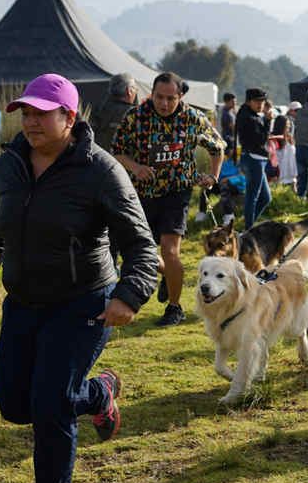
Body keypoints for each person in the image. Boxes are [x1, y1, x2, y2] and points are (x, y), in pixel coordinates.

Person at [0, 74, 157, 483]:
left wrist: (129, 295)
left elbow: (142, 246)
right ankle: (98, 394)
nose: (29, 122)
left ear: (69, 117)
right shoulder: (8, 164)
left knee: (49, 403)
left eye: (40, 113)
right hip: (24, 302)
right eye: (25, 113)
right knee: (13, 403)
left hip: (82, 302)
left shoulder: (100, 170)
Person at [112, 71, 225, 327]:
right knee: (141, 251)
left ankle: (175, 308)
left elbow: (217, 147)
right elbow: (117, 152)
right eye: (159, 97)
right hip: (143, 192)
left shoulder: (192, 118)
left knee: (170, 250)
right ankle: (168, 276)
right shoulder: (135, 117)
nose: (163, 104)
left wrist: (213, 176)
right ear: (151, 94)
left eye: (170, 98)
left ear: (180, 96)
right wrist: (136, 167)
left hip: (177, 191)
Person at [236, 88, 274, 228]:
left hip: (255, 158)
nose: (260, 104)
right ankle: (248, 230)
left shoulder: (248, 114)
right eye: (257, 101)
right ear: (249, 101)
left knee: (265, 198)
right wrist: (268, 122)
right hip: (254, 159)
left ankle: (249, 227)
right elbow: (262, 140)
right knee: (253, 197)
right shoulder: (250, 118)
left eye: (262, 101)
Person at [89, 73, 138, 151]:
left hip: (96, 157)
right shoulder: (134, 113)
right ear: (129, 91)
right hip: (120, 161)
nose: (136, 92)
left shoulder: (98, 109)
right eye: (135, 89)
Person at [274, 101, 300, 187]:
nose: (288, 128)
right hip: (279, 177)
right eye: (287, 126)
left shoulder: (290, 139)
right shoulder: (275, 140)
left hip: (291, 176)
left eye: (289, 126)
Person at [220, 92, 238, 157]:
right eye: (233, 102)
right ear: (227, 102)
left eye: (235, 101)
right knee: (229, 159)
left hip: (230, 139)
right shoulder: (227, 114)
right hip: (228, 140)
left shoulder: (230, 111)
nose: (235, 103)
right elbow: (233, 127)